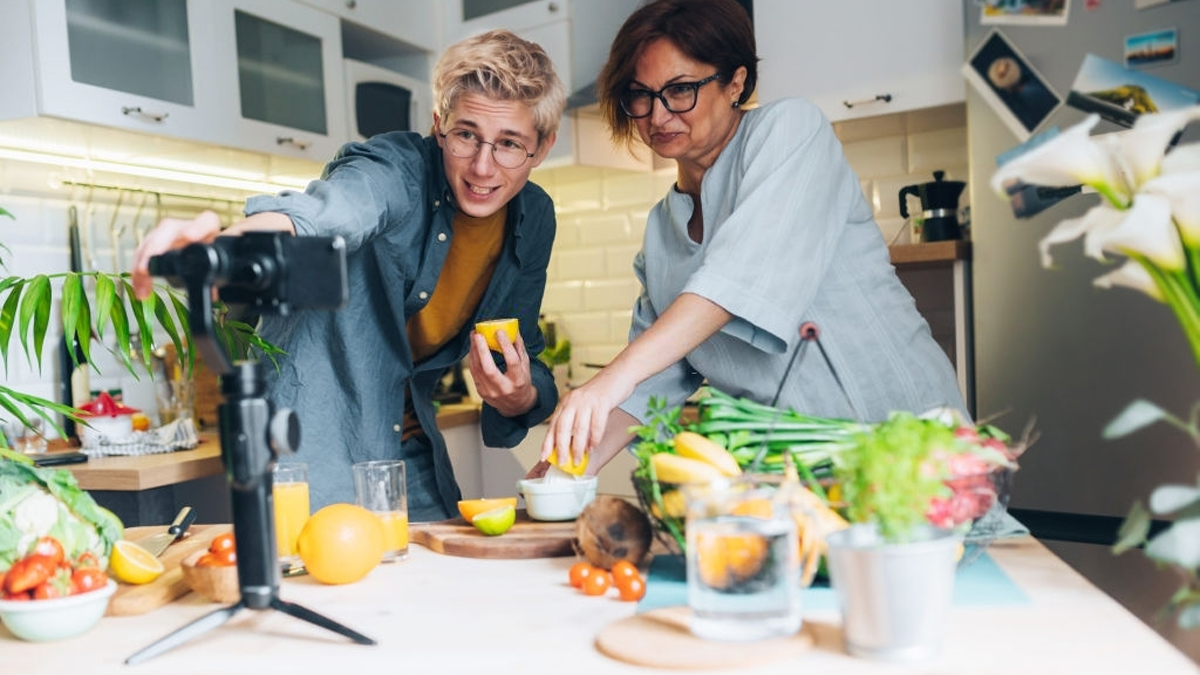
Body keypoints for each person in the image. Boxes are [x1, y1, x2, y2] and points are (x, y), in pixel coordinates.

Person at [132, 30, 567, 521]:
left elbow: (525, 358)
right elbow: (328, 210)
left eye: (509, 143)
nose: (483, 166)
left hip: (406, 446)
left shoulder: (533, 219)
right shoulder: (395, 168)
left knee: (441, 588)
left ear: (544, 146)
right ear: (439, 124)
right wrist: (227, 245)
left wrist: (521, 395)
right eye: (466, 134)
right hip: (310, 446)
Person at [537, 0, 967, 474]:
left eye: (680, 90)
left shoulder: (791, 132)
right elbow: (645, 388)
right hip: (791, 475)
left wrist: (608, 379)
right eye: (640, 95)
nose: (657, 116)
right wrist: (563, 471)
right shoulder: (661, 231)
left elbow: (734, 280)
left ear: (736, 82)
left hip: (907, 444)